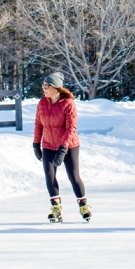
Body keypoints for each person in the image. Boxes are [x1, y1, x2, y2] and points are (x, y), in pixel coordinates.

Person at [33, 73, 90, 223]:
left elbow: (71, 128)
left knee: (74, 176)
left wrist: (63, 149)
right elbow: (38, 124)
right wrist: (36, 144)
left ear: (56, 88)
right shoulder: (42, 103)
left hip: (69, 145)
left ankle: (83, 205)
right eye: (43, 85)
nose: (44, 89)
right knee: (49, 176)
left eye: (47, 86)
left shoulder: (68, 104)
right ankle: (56, 208)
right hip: (49, 145)